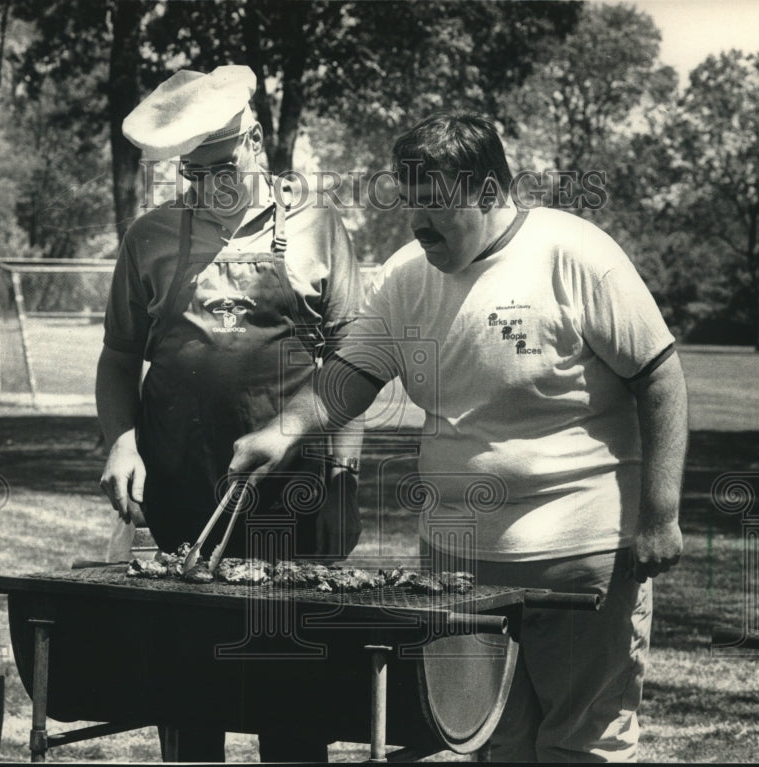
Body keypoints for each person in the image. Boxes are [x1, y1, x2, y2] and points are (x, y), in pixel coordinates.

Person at [230, 112, 688, 762]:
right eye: (409, 200)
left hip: (580, 559)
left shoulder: (577, 255)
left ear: (490, 192)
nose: (417, 223)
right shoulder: (408, 277)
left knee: (582, 745)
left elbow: (660, 378)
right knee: (488, 739)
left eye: (435, 205)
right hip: (458, 565)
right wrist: (281, 432)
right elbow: (350, 376)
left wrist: (661, 513)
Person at [96, 65, 364, 763]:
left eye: (219, 164)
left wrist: (344, 468)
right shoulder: (150, 238)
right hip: (180, 484)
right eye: (191, 171)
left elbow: (350, 360)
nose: (206, 182)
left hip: (291, 492)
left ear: (254, 142)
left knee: (293, 692)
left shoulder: (319, 227)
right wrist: (121, 442)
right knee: (186, 690)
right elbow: (119, 357)